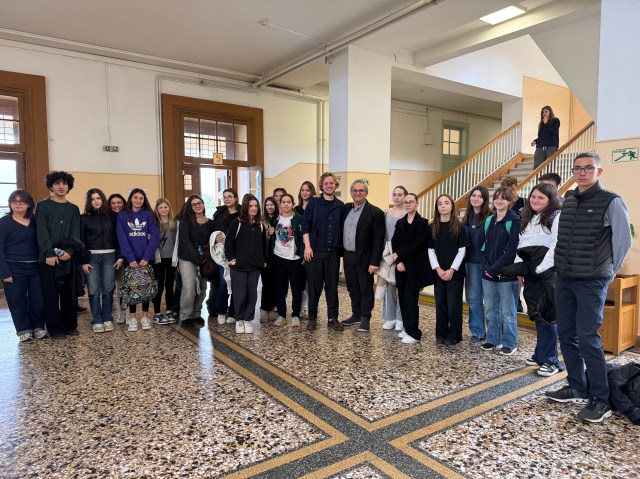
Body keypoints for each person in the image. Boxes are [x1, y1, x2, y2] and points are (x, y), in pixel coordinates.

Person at [546, 152, 632, 424]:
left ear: (599, 172)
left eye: (588, 168)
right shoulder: (569, 200)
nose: (582, 172)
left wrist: (609, 273)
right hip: (565, 277)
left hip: (591, 280)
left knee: (588, 338)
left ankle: (600, 399)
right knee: (566, 334)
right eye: (577, 168)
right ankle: (577, 386)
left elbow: (623, 242)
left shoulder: (611, 201)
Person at [506, 184, 562, 376]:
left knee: (547, 315)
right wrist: (521, 269)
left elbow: (556, 245)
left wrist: (539, 269)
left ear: (551, 199)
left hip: (547, 272)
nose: (535, 200)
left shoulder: (556, 216)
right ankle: (540, 355)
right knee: (536, 314)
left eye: (541, 198)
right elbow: (521, 244)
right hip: (531, 271)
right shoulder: (529, 217)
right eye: (533, 197)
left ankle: (551, 361)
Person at [36, 171, 81, 339]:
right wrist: (49, 253)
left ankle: (70, 325)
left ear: (69, 186)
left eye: (64, 183)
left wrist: (70, 251)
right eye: (57, 183)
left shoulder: (74, 209)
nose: (61, 186)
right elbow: (41, 231)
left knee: (69, 294)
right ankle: (55, 329)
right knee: (51, 295)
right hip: (48, 258)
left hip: (67, 258)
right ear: (51, 186)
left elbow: (76, 233)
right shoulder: (43, 206)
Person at [479, 186, 521, 355]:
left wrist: (494, 269)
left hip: (506, 275)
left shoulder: (515, 221)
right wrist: (486, 267)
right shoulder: (489, 220)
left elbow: (511, 251)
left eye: (503, 198)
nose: (499, 201)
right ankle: (493, 339)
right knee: (490, 309)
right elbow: (482, 246)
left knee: (508, 312)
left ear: (510, 201)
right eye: (496, 197)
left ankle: (510, 342)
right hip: (488, 274)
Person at [301, 172, 345, 331]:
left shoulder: (341, 206)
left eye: (332, 183)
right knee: (314, 287)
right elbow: (305, 226)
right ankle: (312, 318)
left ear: (336, 185)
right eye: (326, 183)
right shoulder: (314, 203)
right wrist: (307, 246)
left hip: (333, 253)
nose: (329, 186)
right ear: (321, 186)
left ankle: (333, 319)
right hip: (315, 252)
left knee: (332, 287)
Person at [0, 190, 45, 342]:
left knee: (38, 300)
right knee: (17, 300)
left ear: (29, 204)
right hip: (13, 268)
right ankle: (23, 329)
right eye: (14, 201)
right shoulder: (3, 223)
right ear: (10, 204)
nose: (18, 204)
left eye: (22, 201)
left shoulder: (36, 221)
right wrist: (4, 272)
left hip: (35, 267)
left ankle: (38, 326)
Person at [340, 179, 385, 332]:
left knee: (365, 288)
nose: (357, 193)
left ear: (366, 193)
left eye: (361, 190)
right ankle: (356, 315)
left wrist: (374, 261)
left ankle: (365, 318)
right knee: (352, 287)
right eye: (355, 190)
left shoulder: (375, 213)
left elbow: (378, 239)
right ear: (351, 192)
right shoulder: (346, 208)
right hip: (348, 255)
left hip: (365, 258)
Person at [116, 188, 160, 332]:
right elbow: (122, 238)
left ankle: (145, 317)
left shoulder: (149, 215)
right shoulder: (123, 215)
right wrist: (130, 258)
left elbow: (155, 237)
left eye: (141, 198)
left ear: (144, 200)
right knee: (132, 287)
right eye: (135, 197)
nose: (138, 200)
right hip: (131, 259)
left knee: (145, 286)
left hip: (146, 258)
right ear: (131, 199)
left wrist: (146, 257)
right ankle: (133, 318)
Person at [428, 194, 469, 345]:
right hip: (439, 272)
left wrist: (452, 269)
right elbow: (430, 250)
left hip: (455, 273)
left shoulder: (459, 227)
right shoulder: (432, 227)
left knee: (453, 305)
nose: (443, 206)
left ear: (452, 206)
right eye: (440, 203)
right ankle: (441, 333)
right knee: (440, 303)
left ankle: (454, 335)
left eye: (446, 203)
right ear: (437, 207)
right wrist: (438, 269)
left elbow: (462, 250)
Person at [225, 194, 268, 334]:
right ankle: (239, 319)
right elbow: (228, 242)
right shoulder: (236, 223)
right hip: (239, 266)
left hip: (255, 266)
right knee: (240, 294)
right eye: (251, 206)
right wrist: (231, 258)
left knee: (252, 294)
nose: (254, 208)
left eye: (256, 206)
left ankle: (247, 319)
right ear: (245, 207)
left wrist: (263, 260)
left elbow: (263, 245)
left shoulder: (260, 225)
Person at [80, 188, 121, 333]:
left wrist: (119, 257)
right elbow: (81, 241)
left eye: (98, 198)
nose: (96, 201)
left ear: (103, 200)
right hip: (91, 258)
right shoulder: (83, 218)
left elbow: (119, 238)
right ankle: (97, 320)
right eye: (93, 199)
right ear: (89, 201)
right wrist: (83, 261)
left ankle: (107, 318)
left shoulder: (112, 217)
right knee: (93, 290)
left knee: (108, 289)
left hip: (110, 256)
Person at [392, 193, 430, 344]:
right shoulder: (400, 222)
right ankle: (407, 328)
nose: (408, 204)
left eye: (411, 202)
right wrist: (398, 261)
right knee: (402, 298)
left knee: (411, 300)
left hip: (414, 267)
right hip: (401, 267)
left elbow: (418, 245)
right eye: (406, 202)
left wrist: (399, 255)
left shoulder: (423, 223)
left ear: (417, 204)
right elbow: (395, 243)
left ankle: (414, 333)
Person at [177, 194, 214, 327]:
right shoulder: (185, 222)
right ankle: (186, 316)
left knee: (202, 289)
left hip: (204, 259)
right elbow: (185, 242)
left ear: (203, 204)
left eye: (199, 203)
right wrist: (198, 259)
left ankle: (196, 314)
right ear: (190, 207)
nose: (197, 206)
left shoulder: (210, 223)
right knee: (189, 288)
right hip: (188, 258)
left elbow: (212, 240)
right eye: (194, 204)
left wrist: (218, 238)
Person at [461, 186, 490, 342]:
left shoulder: (491, 217)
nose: (476, 198)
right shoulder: (466, 218)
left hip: (487, 263)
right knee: (473, 298)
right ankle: (477, 331)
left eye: (480, 196)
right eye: (473, 195)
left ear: (484, 199)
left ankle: (494, 332)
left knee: (490, 300)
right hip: (470, 263)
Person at [272, 194, 303, 327]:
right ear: (280, 204)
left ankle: (295, 315)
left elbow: (304, 237)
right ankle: (281, 315)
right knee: (279, 288)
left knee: (296, 288)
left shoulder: (299, 219)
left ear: (292, 204)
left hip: (294, 259)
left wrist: (302, 255)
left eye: (288, 202)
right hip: (278, 257)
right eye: (283, 202)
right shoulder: (275, 219)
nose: (286, 204)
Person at [209, 188, 239, 324]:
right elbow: (213, 231)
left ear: (236, 198)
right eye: (224, 197)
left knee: (236, 283)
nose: (227, 199)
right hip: (223, 255)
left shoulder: (242, 213)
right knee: (223, 282)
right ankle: (221, 311)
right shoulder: (219, 214)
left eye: (229, 196)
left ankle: (233, 312)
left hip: (238, 253)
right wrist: (216, 238)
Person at [379, 186, 407, 331]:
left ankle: (401, 318)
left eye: (400, 195)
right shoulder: (386, 214)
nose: (396, 197)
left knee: (402, 286)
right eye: (394, 194)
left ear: (405, 197)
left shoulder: (408, 213)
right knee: (389, 286)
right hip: (387, 253)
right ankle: (390, 317)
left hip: (403, 253)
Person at [152, 198, 177, 325]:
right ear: (157, 209)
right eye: (160, 207)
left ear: (169, 208)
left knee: (169, 285)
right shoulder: (154, 223)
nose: (163, 209)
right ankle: (157, 312)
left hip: (171, 259)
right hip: (158, 259)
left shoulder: (175, 223)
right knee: (159, 285)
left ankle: (169, 310)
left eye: (165, 207)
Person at [294, 180, 317, 317]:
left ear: (312, 192)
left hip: (312, 248)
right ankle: (302, 308)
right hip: (298, 249)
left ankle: (311, 307)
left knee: (312, 281)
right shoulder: (296, 210)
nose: (305, 192)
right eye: (302, 190)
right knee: (300, 281)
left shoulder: (316, 207)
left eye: (308, 190)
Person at [108, 193, 128, 324]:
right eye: (113, 203)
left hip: (126, 256)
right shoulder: (107, 219)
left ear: (124, 204)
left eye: (119, 202)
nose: (116, 205)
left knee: (125, 286)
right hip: (110, 256)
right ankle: (115, 313)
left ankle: (126, 313)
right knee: (113, 287)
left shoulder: (128, 217)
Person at [260, 196, 279, 320]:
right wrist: (268, 234)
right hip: (265, 256)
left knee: (276, 282)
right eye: (267, 205)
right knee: (266, 283)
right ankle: (264, 308)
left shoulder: (279, 219)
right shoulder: (261, 220)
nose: (269, 207)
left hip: (278, 255)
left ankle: (273, 307)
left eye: (271, 204)